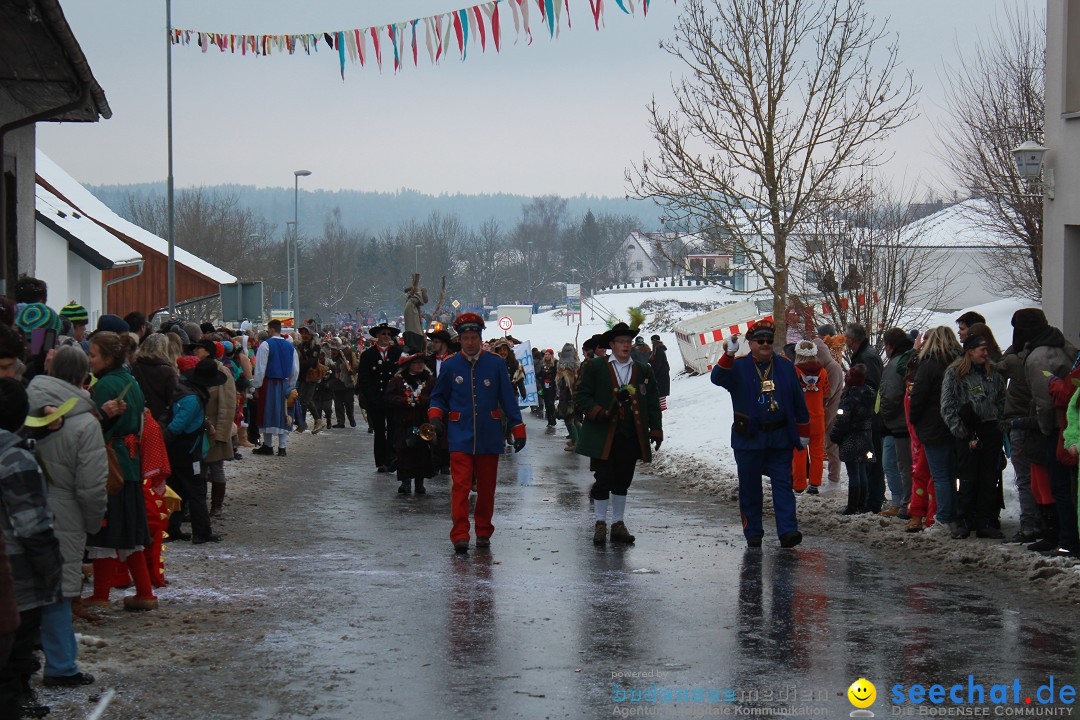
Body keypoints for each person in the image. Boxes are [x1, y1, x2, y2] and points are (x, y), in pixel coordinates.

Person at [26, 345, 105, 688]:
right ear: (83, 375)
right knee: (57, 587)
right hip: (65, 508)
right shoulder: (85, 421)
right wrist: (93, 520)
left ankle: (21, 662)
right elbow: (91, 483)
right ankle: (60, 664)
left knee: (20, 586)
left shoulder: (20, 400)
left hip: (19, 504)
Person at [428, 313, 526, 553]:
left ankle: (483, 530)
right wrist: (435, 418)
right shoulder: (450, 365)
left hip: (489, 435)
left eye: (474, 337)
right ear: (459, 340)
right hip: (459, 434)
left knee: (486, 487)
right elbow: (438, 397)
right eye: (466, 338)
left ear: (480, 338)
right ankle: (460, 534)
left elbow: (507, 399)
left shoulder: (495, 363)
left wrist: (517, 427)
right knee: (460, 487)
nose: (470, 342)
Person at [711, 320, 808, 548]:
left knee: (783, 484)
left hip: (780, 437)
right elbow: (717, 378)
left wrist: (804, 431)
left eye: (769, 341)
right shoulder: (739, 366)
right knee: (750, 487)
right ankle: (753, 531)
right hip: (749, 438)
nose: (766, 345)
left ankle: (787, 531)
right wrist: (728, 355)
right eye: (760, 341)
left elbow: (798, 401)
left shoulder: (785, 366)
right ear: (751, 343)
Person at [0, 379, 63, 719]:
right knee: (18, 644)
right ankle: (16, 700)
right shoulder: (15, 460)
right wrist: (51, 568)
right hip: (17, 567)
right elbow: (32, 525)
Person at [82, 332, 157, 611]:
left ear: (109, 357)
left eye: (93, 355)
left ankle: (101, 594)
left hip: (109, 463)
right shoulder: (131, 382)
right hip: (131, 463)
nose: (89, 361)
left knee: (105, 528)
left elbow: (95, 428)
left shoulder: (104, 386)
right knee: (130, 529)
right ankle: (145, 592)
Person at [576, 322, 663, 545]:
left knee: (623, 480)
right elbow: (583, 397)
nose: (626, 345)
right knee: (603, 479)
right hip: (603, 435)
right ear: (612, 345)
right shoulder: (596, 367)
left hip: (630, 434)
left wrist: (656, 428)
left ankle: (618, 523)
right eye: (621, 342)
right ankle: (600, 523)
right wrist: (600, 412)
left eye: (628, 341)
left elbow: (653, 400)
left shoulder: (643, 370)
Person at [940, 332, 1007, 539]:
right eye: (982, 350)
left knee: (989, 478)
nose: (986, 354)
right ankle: (963, 520)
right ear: (970, 352)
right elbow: (947, 405)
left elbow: (1002, 400)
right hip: (968, 431)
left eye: (987, 350)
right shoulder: (955, 374)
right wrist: (960, 430)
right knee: (967, 479)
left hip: (990, 430)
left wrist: (1001, 425)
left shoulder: (993, 373)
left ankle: (985, 520)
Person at [1023, 317, 1079, 555]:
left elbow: (1046, 401)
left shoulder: (1038, 358)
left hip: (1061, 427)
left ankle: (1067, 539)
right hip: (1069, 425)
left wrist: (1047, 429)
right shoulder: (1067, 347)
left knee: (1061, 486)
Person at [163, 358, 226, 545]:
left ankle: (171, 529)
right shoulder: (193, 398)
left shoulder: (186, 392)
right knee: (197, 491)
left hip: (178, 451)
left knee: (176, 490)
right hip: (187, 452)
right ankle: (201, 532)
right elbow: (176, 427)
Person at [909, 327, 964, 536]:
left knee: (940, 475)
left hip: (933, 425)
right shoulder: (960, 363)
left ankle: (943, 518)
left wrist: (915, 419)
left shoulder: (929, 364)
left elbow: (919, 396)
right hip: (956, 426)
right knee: (950, 475)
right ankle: (952, 515)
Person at [999, 309, 1045, 543]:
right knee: (1038, 478)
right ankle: (1042, 522)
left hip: (1021, 421)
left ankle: (1029, 524)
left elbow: (997, 367)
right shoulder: (1054, 351)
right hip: (1042, 423)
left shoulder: (1019, 358)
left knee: (1025, 478)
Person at [845, 323, 884, 512]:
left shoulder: (866, 357)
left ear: (853, 340)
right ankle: (868, 500)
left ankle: (872, 501)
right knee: (867, 461)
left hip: (868, 420)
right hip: (866, 419)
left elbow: (871, 387)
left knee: (870, 460)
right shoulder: (864, 354)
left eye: (846, 338)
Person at [877, 328, 916, 518]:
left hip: (897, 424)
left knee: (896, 465)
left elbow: (890, 395)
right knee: (903, 465)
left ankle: (902, 502)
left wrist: (884, 417)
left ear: (889, 346)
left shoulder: (895, 364)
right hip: (905, 421)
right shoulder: (910, 359)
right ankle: (904, 501)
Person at [386, 353, 435, 494]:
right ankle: (405, 482)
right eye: (417, 362)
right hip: (404, 422)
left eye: (422, 362)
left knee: (422, 453)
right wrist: (403, 401)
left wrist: (423, 400)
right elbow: (388, 397)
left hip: (423, 422)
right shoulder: (398, 380)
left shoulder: (429, 380)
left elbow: (436, 396)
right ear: (409, 365)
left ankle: (420, 483)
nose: (420, 365)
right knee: (404, 452)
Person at [357, 323, 404, 472]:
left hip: (392, 399)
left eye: (389, 334)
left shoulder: (398, 353)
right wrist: (369, 397)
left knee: (393, 429)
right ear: (377, 336)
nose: (386, 337)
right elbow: (364, 378)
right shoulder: (368, 354)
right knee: (379, 431)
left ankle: (391, 459)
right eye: (383, 333)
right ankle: (381, 462)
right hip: (375, 399)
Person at [831, 364, 875, 515]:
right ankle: (861, 505)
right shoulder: (870, 393)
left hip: (851, 438)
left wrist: (835, 436)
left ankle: (852, 506)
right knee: (862, 470)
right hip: (866, 437)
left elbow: (842, 419)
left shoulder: (850, 397)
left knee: (853, 474)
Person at [251, 319, 300, 457]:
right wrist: (291, 385)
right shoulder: (290, 347)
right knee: (284, 413)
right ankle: (282, 447)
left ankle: (268, 445)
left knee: (268, 412)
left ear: (272, 329)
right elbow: (295, 369)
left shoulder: (266, 344)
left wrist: (257, 386)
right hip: (284, 383)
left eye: (268, 329)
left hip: (269, 383)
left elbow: (260, 368)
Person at [791, 340, 829, 494]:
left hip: (799, 420)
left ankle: (799, 485)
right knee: (817, 453)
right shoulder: (823, 372)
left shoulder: (794, 372)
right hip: (818, 418)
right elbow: (826, 391)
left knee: (799, 453)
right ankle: (814, 484)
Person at [813, 336, 845, 484]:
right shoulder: (827, 367)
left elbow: (828, 392)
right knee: (828, 445)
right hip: (828, 408)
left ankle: (834, 479)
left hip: (832, 409)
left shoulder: (832, 368)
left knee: (831, 446)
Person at [295, 327, 324, 434]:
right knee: (304, 399)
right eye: (302, 333)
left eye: (306, 333)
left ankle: (306, 423)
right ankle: (312, 421)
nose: (303, 335)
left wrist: (301, 363)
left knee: (304, 401)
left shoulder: (315, 346)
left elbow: (312, 362)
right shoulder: (301, 345)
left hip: (311, 376)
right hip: (303, 376)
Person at [556, 343, 580, 452]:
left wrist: (563, 401)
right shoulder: (577, 364)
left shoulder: (565, 369)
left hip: (568, 397)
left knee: (569, 419)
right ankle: (579, 440)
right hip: (576, 396)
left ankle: (576, 441)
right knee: (575, 419)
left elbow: (565, 387)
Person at [328, 342, 357, 428]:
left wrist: (351, 370)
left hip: (348, 384)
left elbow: (355, 367)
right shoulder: (332, 358)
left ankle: (351, 418)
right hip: (337, 384)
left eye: (334, 349)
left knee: (349, 403)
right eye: (332, 349)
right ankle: (340, 421)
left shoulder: (348, 357)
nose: (333, 351)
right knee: (338, 404)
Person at [537, 349, 558, 427]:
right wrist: (541, 380)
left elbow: (558, 374)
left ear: (551, 355)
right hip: (545, 386)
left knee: (550, 403)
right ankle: (549, 421)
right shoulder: (543, 364)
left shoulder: (555, 363)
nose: (547, 356)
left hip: (552, 386)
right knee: (546, 403)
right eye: (546, 354)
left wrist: (554, 381)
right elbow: (539, 374)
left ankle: (553, 419)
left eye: (549, 354)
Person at [649, 334, 671, 411]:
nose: (652, 343)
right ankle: (662, 405)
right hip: (662, 371)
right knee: (661, 388)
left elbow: (658, 362)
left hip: (661, 372)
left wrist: (653, 369)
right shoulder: (658, 349)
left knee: (661, 389)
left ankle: (663, 406)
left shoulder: (658, 350)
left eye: (653, 341)